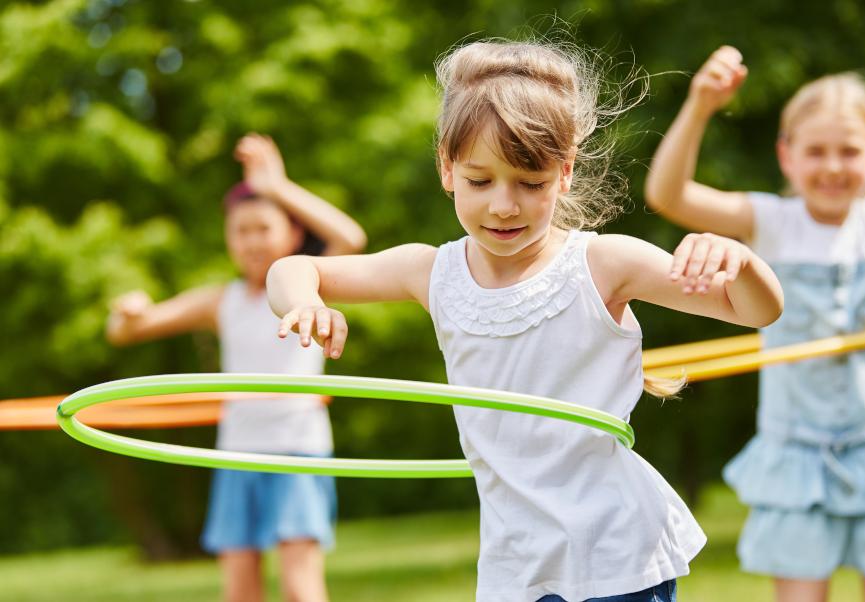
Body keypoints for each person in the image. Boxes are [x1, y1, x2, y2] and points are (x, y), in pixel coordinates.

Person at [265, 39, 783, 602]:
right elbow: (293, 267)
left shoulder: (605, 264)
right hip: (516, 560)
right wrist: (305, 302)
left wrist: (742, 262)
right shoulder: (431, 272)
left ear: (563, 173)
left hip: (615, 553)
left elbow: (756, 310)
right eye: (480, 181)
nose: (503, 206)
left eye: (529, 183)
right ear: (447, 167)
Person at [645, 46, 865, 602]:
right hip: (795, 444)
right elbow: (667, 196)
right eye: (816, 152)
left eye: (849, 151)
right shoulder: (768, 220)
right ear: (786, 155)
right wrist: (700, 105)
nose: (832, 166)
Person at [107, 133, 366, 602]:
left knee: (300, 588)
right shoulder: (219, 302)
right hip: (235, 455)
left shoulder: (307, 285)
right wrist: (127, 311)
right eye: (239, 231)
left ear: (291, 233)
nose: (250, 241)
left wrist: (278, 185)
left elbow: (351, 237)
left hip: (296, 452)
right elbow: (127, 332)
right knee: (239, 592)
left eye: (263, 228)